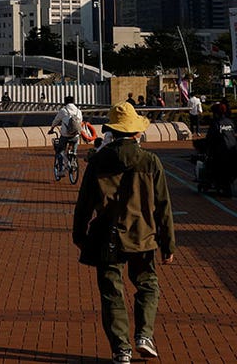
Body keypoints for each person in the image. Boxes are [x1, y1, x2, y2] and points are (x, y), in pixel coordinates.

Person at [73, 103, 176, 363]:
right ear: (136, 133)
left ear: (112, 131)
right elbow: (163, 206)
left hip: (107, 236)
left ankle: (122, 349)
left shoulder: (98, 161)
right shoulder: (150, 161)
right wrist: (168, 244)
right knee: (148, 284)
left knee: (111, 293)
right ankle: (144, 334)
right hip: (143, 235)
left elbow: (84, 203)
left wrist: (80, 235)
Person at [48, 96, 83, 181]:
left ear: (65, 102)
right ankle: (73, 161)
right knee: (74, 151)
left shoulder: (63, 111)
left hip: (65, 135)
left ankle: (61, 170)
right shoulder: (79, 111)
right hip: (76, 135)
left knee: (60, 151)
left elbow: (56, 121)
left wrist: (52, 129)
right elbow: (80, 122)